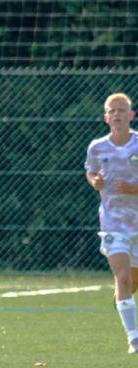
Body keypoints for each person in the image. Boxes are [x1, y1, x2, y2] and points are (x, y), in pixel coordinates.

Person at [85, 92, 138, 354]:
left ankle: (122, 300)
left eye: (122, 110)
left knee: (132, 281)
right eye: (112, 111)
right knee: (124, 278)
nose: (117, 114)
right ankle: (134, 339)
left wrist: (133, 188)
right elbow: (91, 171)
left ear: (131, 115)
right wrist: (93, 180)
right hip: (113, 223)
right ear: (106, 118)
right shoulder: (97, 147)